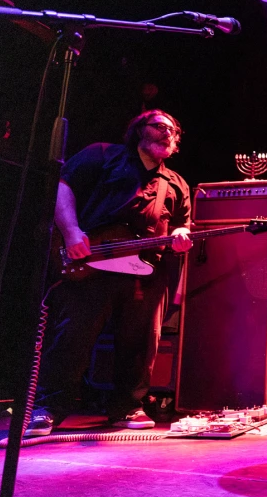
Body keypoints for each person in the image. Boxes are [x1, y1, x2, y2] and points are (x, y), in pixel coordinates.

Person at [24, 109, 193, 437]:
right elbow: (64, 187)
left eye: (172, 131)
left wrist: (182, 236)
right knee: (72, 336)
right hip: (91, 262)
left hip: (146, 270)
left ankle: (127, 406)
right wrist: (72, 232)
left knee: (142, 342)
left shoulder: (176, 183)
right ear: (138, 129)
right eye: (159, 126)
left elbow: (183, 224)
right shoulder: (102, 155)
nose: (166, 134)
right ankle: (50, 408)